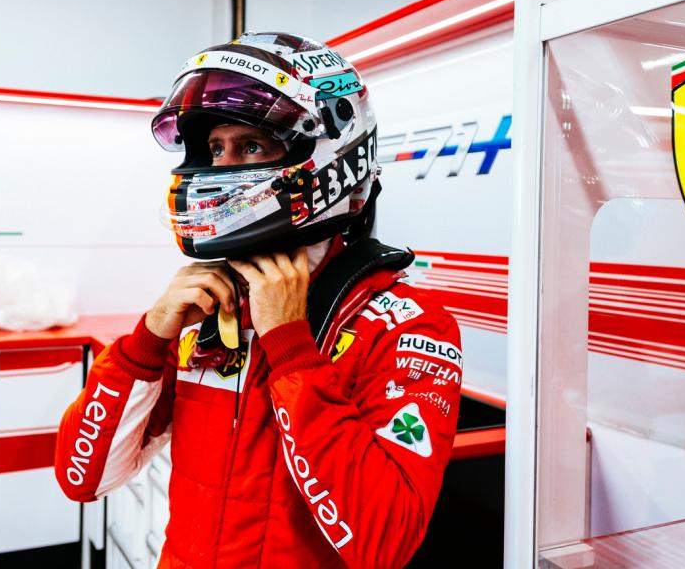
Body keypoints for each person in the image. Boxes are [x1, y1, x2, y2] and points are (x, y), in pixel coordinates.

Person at [55, 32, 462, 568]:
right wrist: (147, 340)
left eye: (250, 146)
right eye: (214, 149)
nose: (221, 169)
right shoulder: (207, 309)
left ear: (329, 155)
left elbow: (384, 542)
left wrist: (292, 350)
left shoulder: (406, 326)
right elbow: (82, 478)